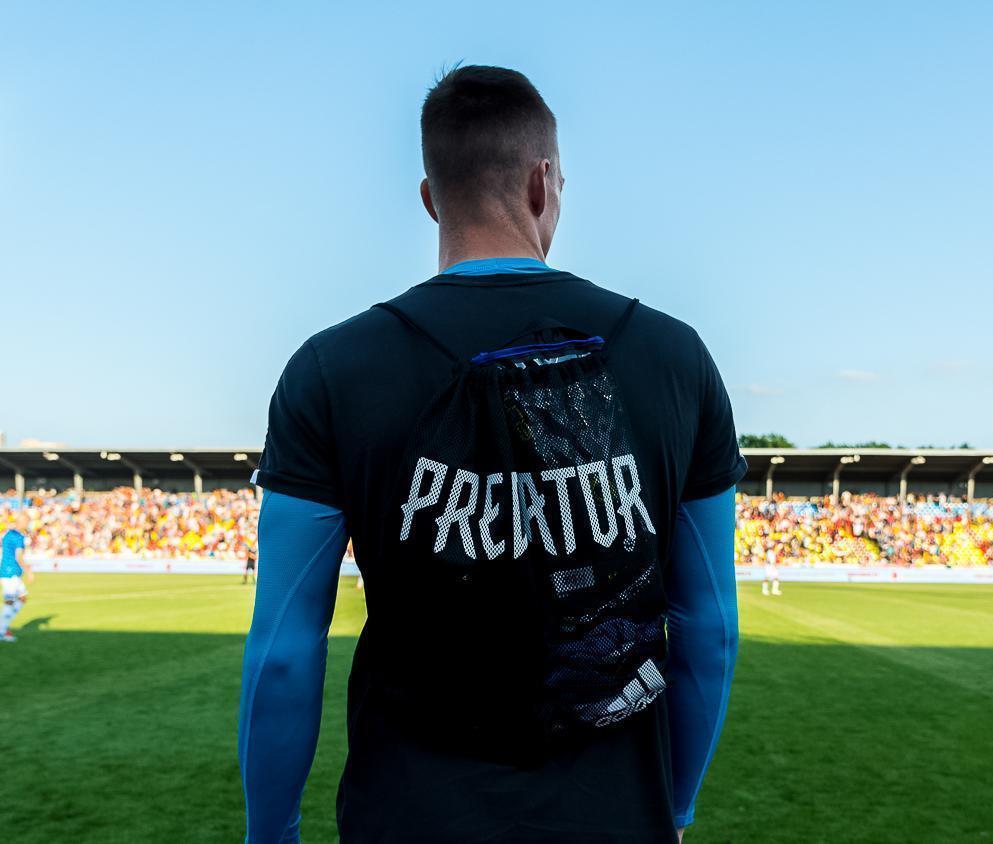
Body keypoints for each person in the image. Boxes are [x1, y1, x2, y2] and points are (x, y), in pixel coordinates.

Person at [239, 65, 744, 843]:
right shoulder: (676, 358)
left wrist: (270, 835)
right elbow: (709, 629)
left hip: (406, 819)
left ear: (431, 197)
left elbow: (282, 650)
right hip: (613, 821)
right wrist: (671, 809)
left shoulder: (330, 369)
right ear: (542, 184)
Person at [0, 512, 33, 642]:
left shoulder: (9, 534)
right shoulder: (18, 537)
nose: (28, 525)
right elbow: (19, 557)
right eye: (27, 522)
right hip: (10, 573)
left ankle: (4, 626)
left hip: (10, 572)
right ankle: (1, 632)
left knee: (22, 598)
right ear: (22, 522)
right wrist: (29, 571)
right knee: (10, 601)